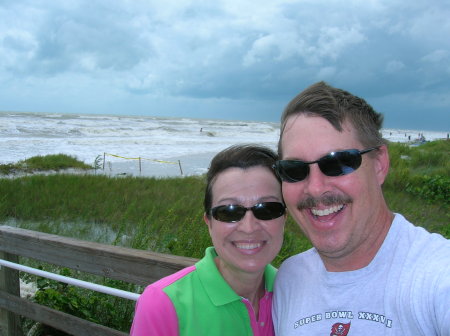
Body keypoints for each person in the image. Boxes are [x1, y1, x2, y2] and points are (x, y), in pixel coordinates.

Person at [272, 81, 450, 335]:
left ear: (379, 164)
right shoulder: (289, 279)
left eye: (338, 163)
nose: (315, 188)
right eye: (294, 169)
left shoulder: (436, 276)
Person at [130, 144, 286, 335]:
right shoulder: (163, 304)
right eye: (229, 211)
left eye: (267, 209)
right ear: (209, 222)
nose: (249, 227)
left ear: (284, 217)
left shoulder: (293, 290)